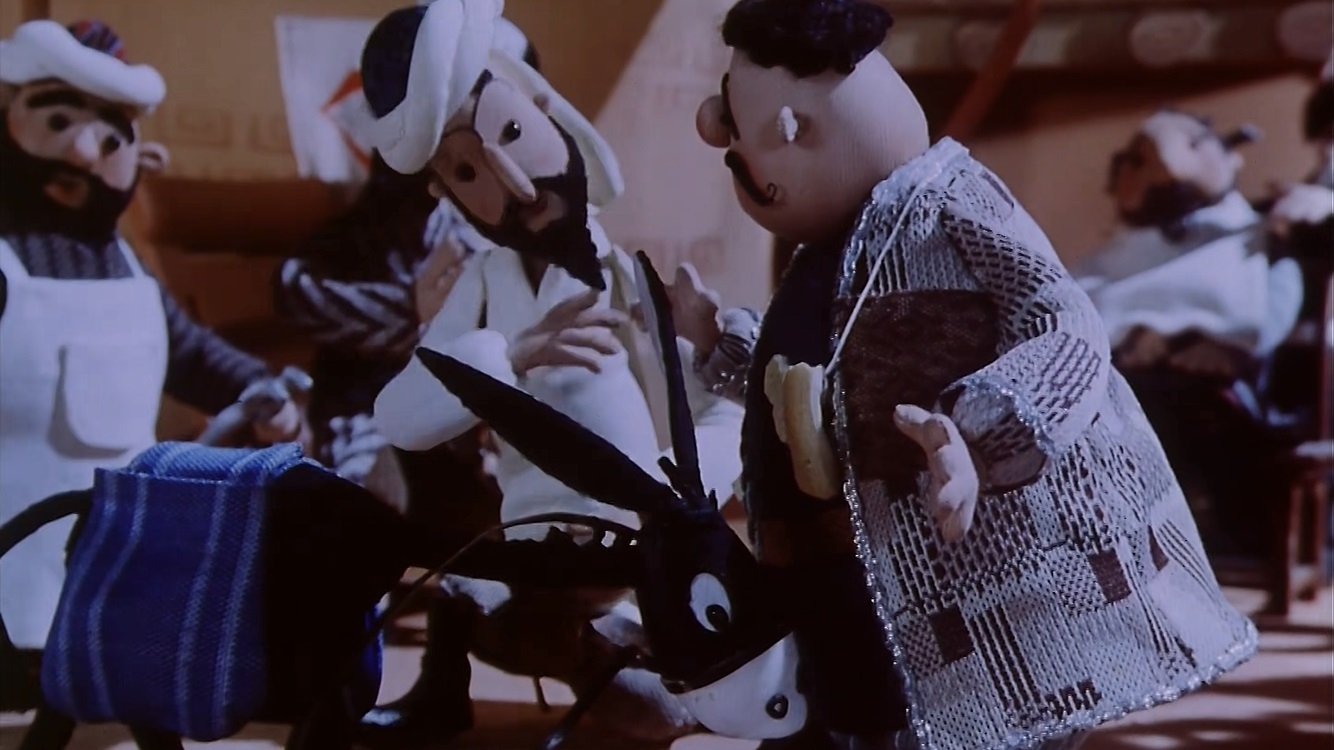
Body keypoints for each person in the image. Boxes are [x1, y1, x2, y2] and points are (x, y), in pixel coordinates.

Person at [685, 1, 1256, 748]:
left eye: (738, 141)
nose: (730, 155)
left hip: (968, 560)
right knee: (854, 706)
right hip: (839, 568)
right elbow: (811, 390)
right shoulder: (834, 248)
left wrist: (981, 437)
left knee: (974, 714)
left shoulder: (950, 206)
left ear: (798, 129)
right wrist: (720, 344)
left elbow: (1065, 322)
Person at [362, 2, 755, 745]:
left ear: (549, 112)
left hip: (634, 551)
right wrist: (507, 359)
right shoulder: (484, 286)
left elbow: (724, 412)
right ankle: (442, 696)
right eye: (467, 170)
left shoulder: (634, 283)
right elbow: (399, 415)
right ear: (445, 194)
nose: (514, 183)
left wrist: (674, 491)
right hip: (530, 545)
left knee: (648, 699)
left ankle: (610, 672)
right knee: (462, 597)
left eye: (512, 134)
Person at [0, 19, 299, 707]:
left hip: (118, 551)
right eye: (58, 121)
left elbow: (189, 352)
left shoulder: (128, 267)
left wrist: (256, 387)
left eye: (110, 137)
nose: (83, 151)